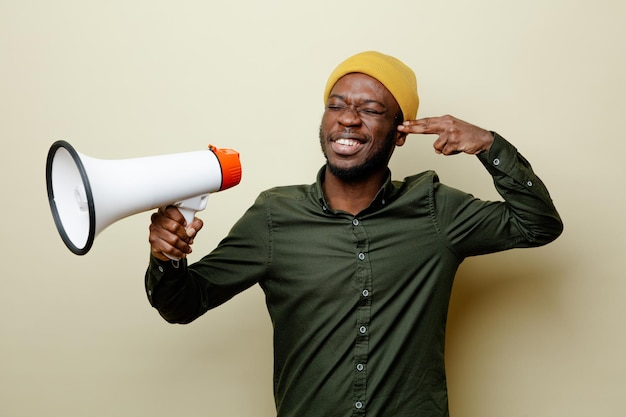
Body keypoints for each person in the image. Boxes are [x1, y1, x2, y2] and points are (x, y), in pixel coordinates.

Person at [145, 51, 563, 417]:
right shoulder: (275, 215)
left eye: (371, 109)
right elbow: (181, 304)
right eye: (336, 105)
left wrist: (488, 145)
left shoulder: (436, 209)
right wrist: (168, 258)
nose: (348, 118)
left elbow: (539, 224)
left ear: (400, 132)